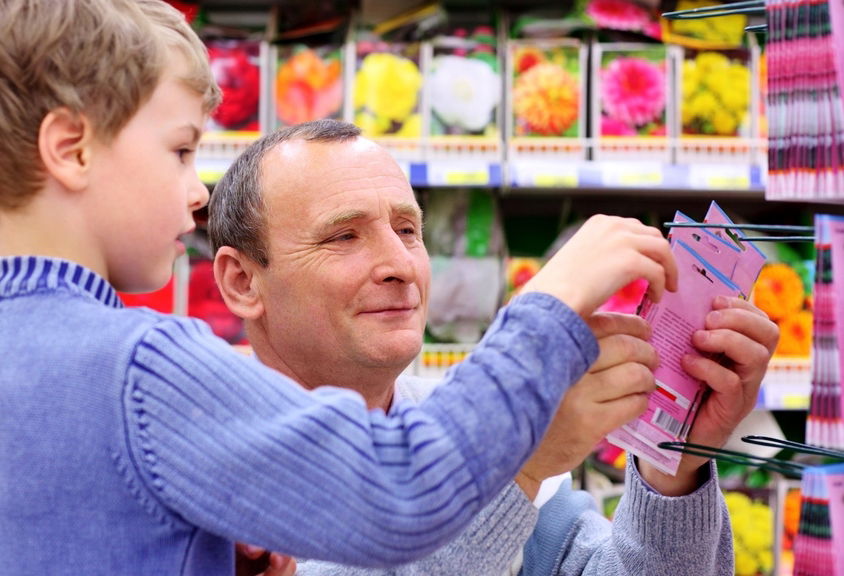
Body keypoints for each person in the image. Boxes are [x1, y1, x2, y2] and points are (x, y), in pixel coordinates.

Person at [0, 1, 682, 574]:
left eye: (408, 230)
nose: (196, 188)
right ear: (72, 148)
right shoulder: (140, 366)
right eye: (180, 150)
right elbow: (404, 494)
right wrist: (547, 310)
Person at [207, 119, 779, 575]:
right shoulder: (197, 460)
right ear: (242, 281)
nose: (400, 265)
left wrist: (670, 466)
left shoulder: (452, 411)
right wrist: (516, 460)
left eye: (408, 230)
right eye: (343, 235)